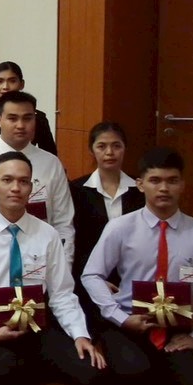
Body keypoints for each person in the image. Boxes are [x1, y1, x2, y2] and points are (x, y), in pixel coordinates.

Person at [82, 147, 193, 385]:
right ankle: (166, 366)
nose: (164, 188)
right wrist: (119, 317)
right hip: (128, 324)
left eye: (172, 181)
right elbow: (91, 275)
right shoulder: (120, 228)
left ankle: (181, 364)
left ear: (182, 185)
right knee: (135, 378)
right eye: (155, 180)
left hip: (175, 327)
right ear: (140, 185)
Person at [0, 151, 108, 385]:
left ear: (31, 187)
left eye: (23, 181)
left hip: (35, 327)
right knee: (6, 374)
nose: (15, 188)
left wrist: (80, 335)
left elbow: (62, 293)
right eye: (7, 180)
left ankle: (38, 363)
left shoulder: (48, 234)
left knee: (94, 375)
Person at [0, 91, 74, 250]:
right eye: (12, 118)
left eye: (27, 118)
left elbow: (63, 221)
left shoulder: (51, 164)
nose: (20, 125)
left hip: (40, 252)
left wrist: (64, 260)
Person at [70, 121, 144, 288]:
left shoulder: (140, 189)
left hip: (134, 274)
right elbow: (77, 243)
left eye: (116, 146)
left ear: (125, 148)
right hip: (89, 276)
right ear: (91, 150)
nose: (109, 152)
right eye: (101, 146)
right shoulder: (76, 190)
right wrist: (95, 281)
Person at [0, 61, 59, 154]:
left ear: (22, 84)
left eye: (12, 81)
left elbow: (50, 154)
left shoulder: (38, 118)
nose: (5, 87)